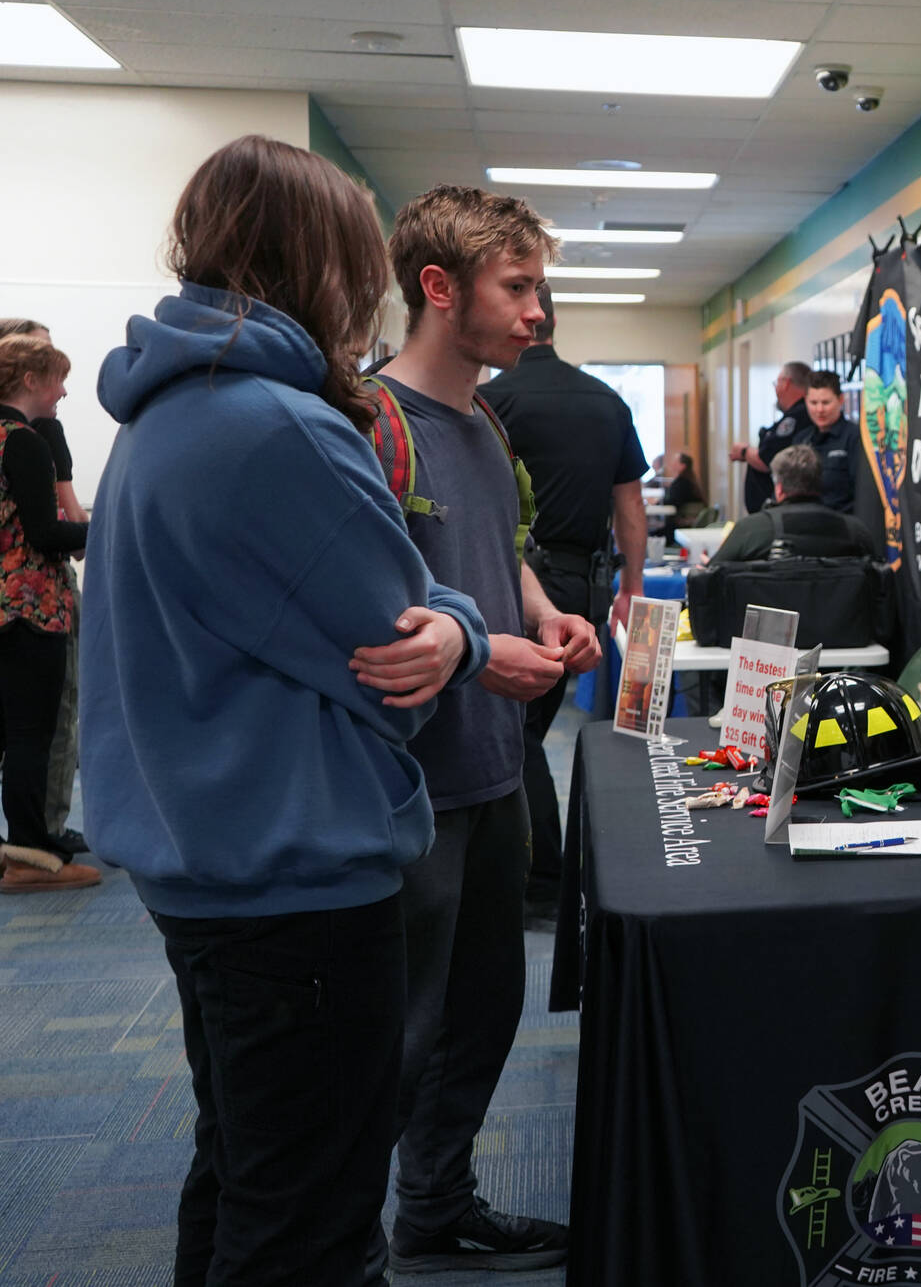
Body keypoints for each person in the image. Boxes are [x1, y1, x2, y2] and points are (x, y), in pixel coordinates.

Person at [81, 134, 489, 1284]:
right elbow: (395, 641)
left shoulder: (165, 411)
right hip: (294, 885)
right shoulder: (274, 426)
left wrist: (438, 618)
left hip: (207, 865)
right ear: (325, 260)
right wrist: (458, 628)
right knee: (310, 1218)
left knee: (247, 1170)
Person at [374, 183, 602, 1273]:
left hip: (493, 772)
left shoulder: (482, 418)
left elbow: (497, 544)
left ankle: (437, 1203)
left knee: (482, 1013)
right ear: (437, 287)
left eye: (537, 288)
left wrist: (544, 610)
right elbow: (369, 614)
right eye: (516, 288)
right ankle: (336, 1231)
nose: (536, 313)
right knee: (396, 1038)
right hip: (406, 788)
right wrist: (475, 652)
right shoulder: (372, 425)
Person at [479, 280, 646, 924]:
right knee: (527, 734)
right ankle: (541, 873)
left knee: (515, 737)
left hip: (518, 584)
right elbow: (628, 505)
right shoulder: (607, 401)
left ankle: (543, 879)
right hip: (587, 585)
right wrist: (630, 588)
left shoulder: (490, 401)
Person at [0, 334, 93, 892]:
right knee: (32, 737)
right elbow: (46, 534)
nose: (62, 391)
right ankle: (32, 859)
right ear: (30, 381)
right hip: (29, 609)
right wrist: (109, 527)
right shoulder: (24, 443)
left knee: (5, 737)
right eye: (56, 379)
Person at [709, 444, 879, 564]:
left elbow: (709, 578)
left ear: (779, 489)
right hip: (842, 615)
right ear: (820, 483)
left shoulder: (751, 530)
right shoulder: (855, 531)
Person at [730, 360, 810, 513]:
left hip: (777, 510)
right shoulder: (795, 415)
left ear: (786, 383)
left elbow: (767, 459)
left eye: (776, 383)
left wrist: (744, 451)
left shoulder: (796, 417)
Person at [793, 367, 859, 513]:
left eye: (826, 402)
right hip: (805, 524)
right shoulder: (801, 439)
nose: (819, 410)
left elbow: (862, 493)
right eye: (813, 403)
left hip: (841, 527)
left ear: (841, 400)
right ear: (806, 401)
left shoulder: (855, 437)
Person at [662, 450, 711, 531]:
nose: (672, 464)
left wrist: (658, 502)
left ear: (683, 466)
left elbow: (673, 502)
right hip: (687, 522)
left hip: (684, 525)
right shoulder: (687, 480)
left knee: (653, 533)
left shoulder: (683, 483)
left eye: (675, 462)